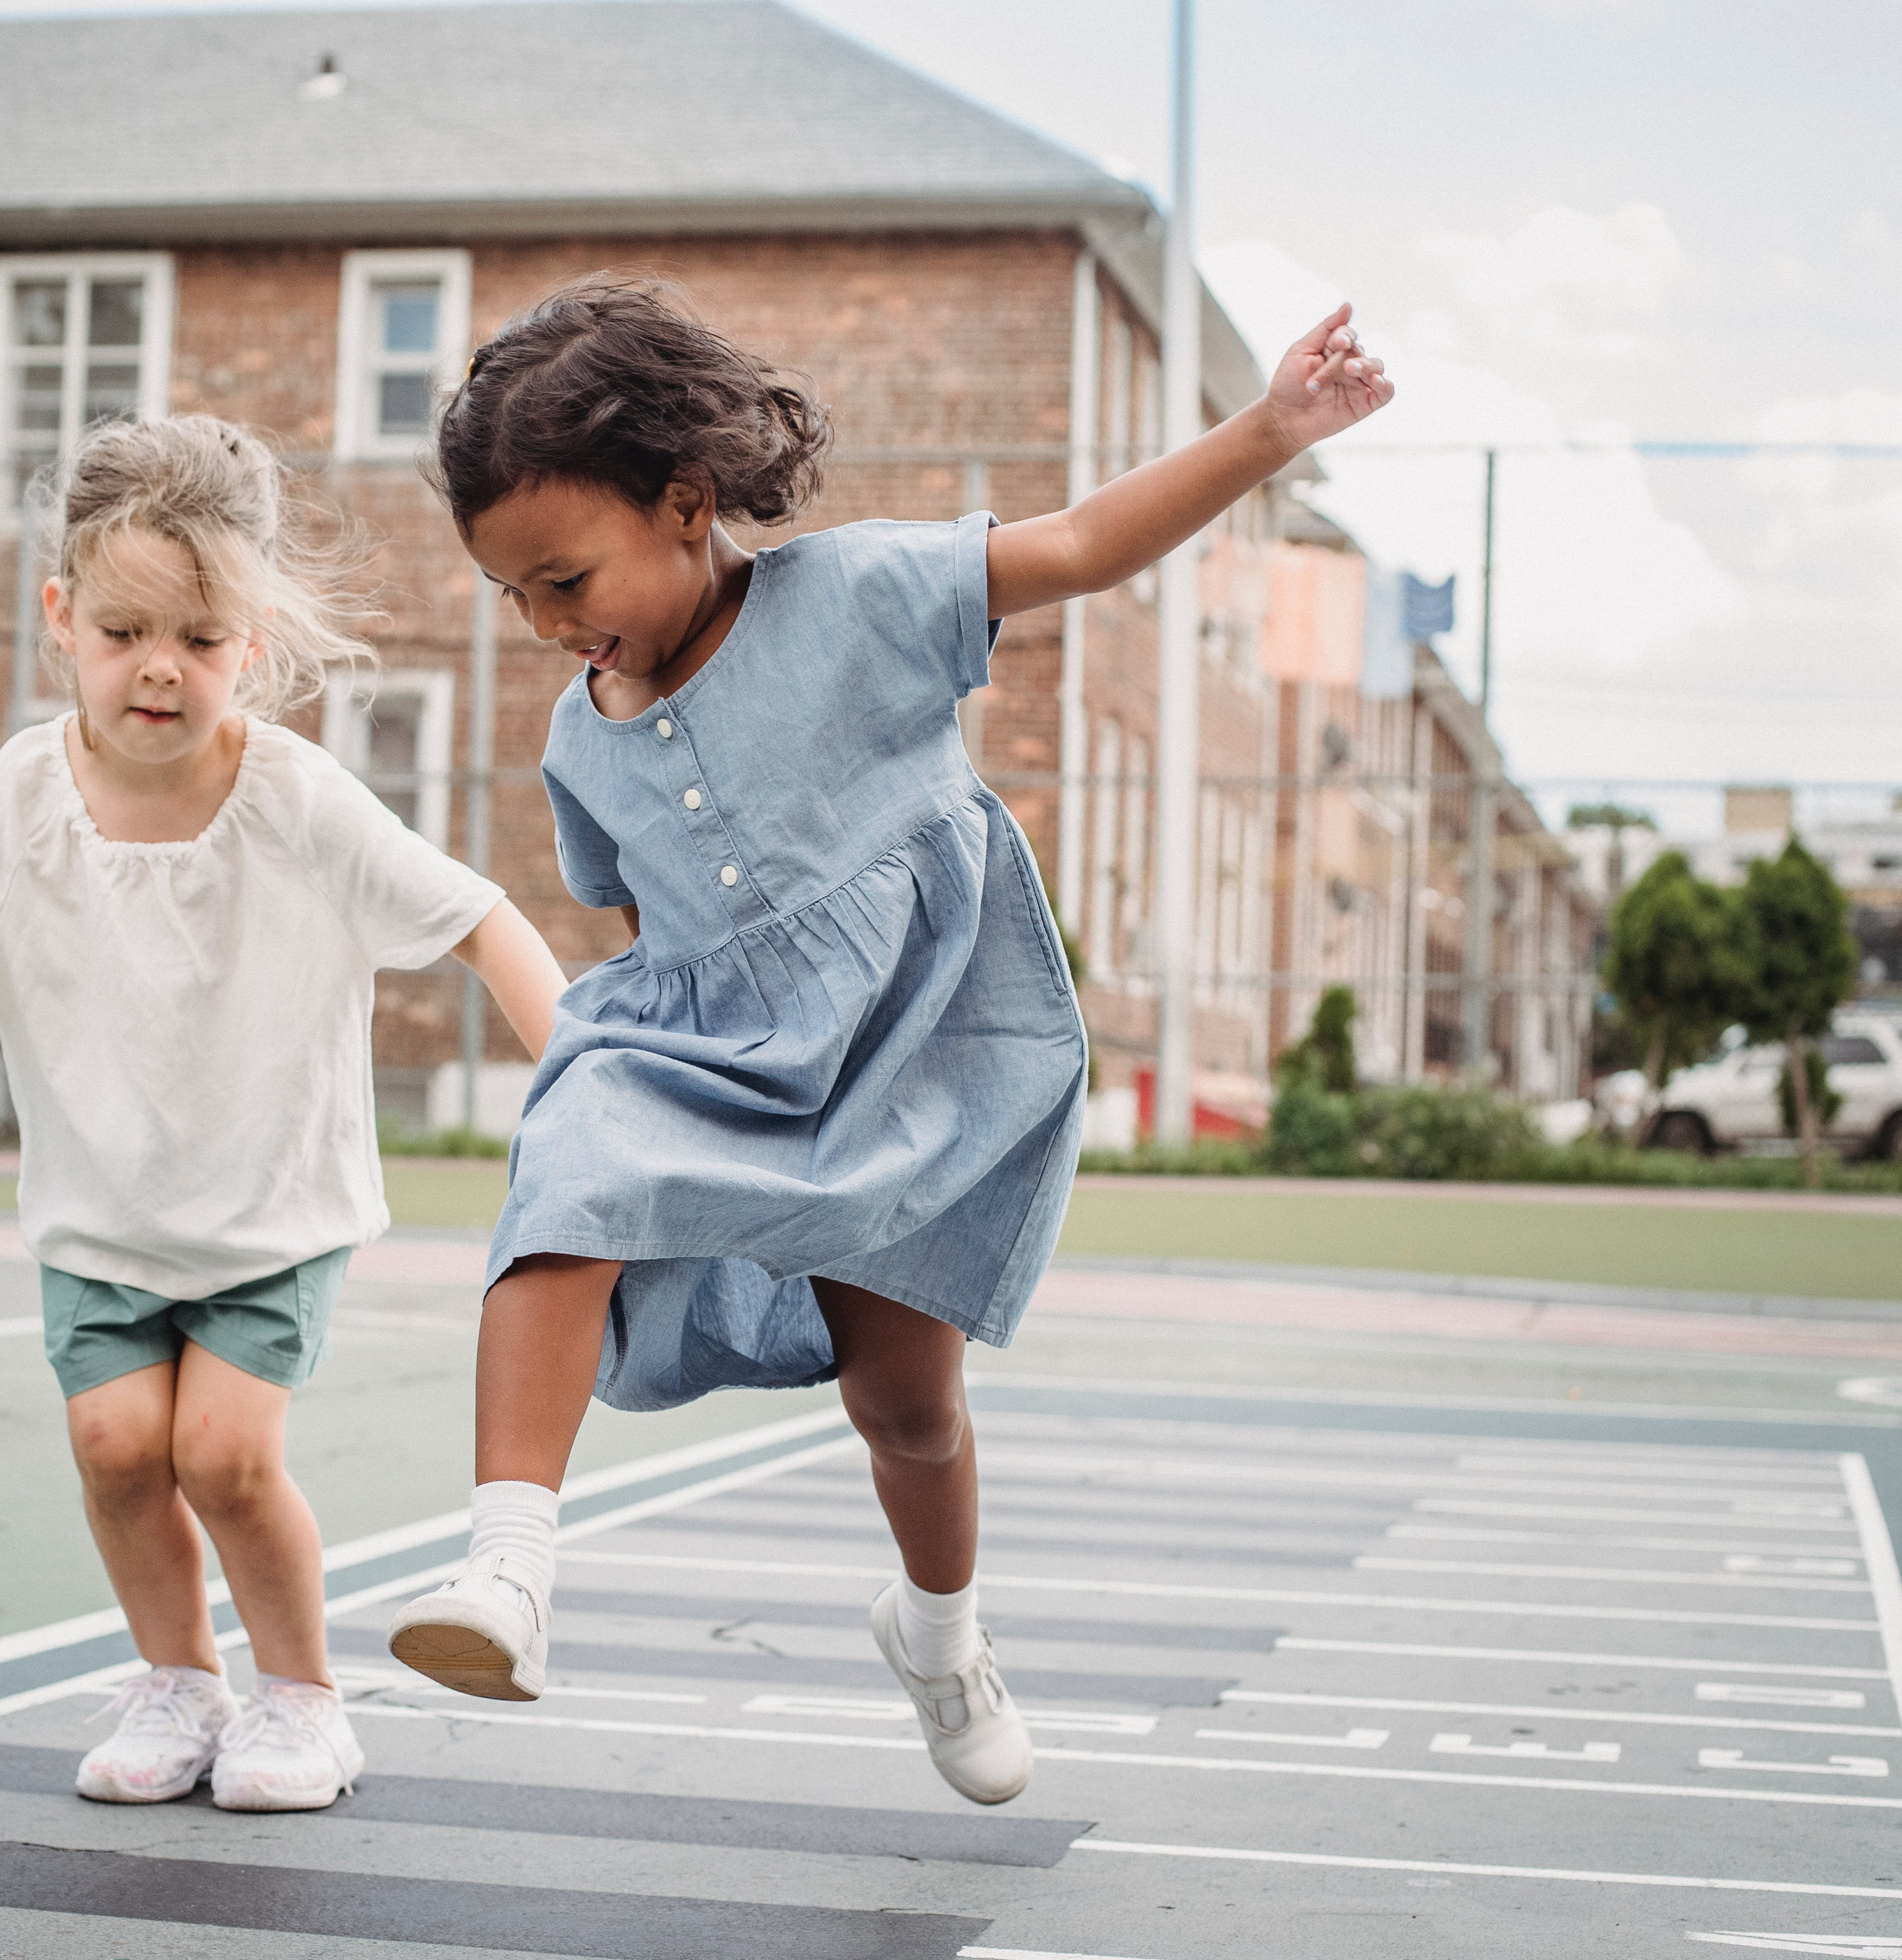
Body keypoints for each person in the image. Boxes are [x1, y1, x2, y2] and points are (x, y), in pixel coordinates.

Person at [386, 277, 1392, 1804]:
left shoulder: (857, 597)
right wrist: (592, 1098)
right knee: (567, 1175)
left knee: (906, 1408)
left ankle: (939, 1634)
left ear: (684, 501)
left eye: (565, 577)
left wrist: (1266, 431)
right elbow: (643, 954)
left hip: (910, 1055)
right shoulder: (580, 734)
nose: (545, 623)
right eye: (513, 596)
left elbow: (1079, 547)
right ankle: (510, 1570)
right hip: (716, 1048)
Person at [0, 415, 567, 1813]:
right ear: (63, 618)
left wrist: (577, 1091)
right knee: (120, 1450)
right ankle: (180, 1681)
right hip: (100, 1210)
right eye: (127, 629)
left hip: (271, 1206)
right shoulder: (7, 804)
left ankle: (303, 1701)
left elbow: (487, 922)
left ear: (249, 644)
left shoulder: (298, 801)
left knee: (226, 1456)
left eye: (199, 640)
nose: (159, 669)